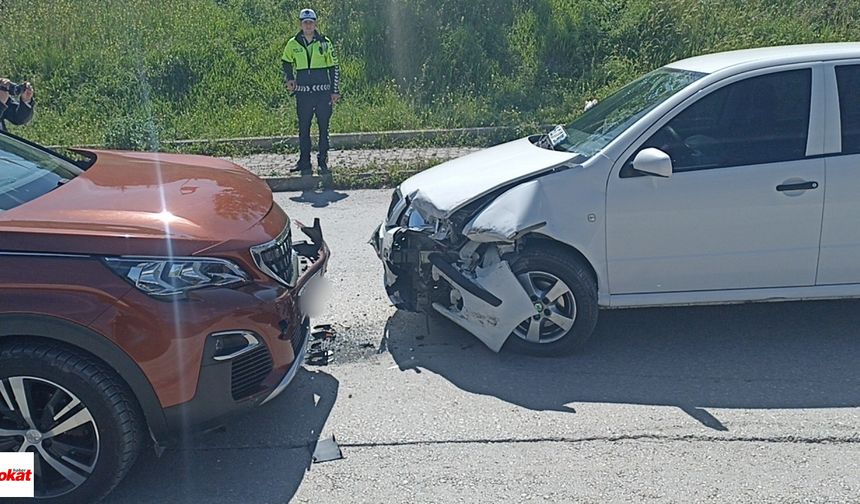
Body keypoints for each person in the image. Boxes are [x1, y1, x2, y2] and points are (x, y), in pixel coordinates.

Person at [281, 8, 340, 175]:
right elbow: (286, 62)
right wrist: (290, 78)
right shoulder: (293, 43)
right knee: (304, 128)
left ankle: (323, 161)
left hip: (322, 94)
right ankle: (304, 162)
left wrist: (334, 91)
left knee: (323, 128)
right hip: (303, 94)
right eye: (305, 22)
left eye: (311, 22)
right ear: (301, 24)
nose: (308, 25)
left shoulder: (324, 42)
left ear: (315, 23)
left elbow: (334, 67)